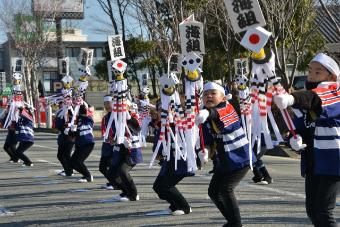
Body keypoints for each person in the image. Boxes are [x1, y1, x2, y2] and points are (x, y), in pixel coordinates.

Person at [274, 53, 340, 227]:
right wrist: (294, 141)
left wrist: (292, 98)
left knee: (324, 210)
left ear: (332, 76)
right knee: (312, 210)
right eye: (310, 71)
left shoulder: (335, 91)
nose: (311, 75)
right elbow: (298, 129)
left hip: (333, 160)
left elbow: (315, 100)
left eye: (318, 72)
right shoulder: (306, 99)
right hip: (313, 161)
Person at [196, 82, 256, 227]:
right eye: (205, 94)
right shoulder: (204, 115)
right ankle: (231, 221)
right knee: (213, 192)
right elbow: (208, 140)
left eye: (213, 93)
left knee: (226, 189)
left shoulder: (227, 108)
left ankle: (236, 224)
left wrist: (207, 113)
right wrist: (204, 151)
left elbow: (219, 116)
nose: (209, 96)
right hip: (223, 161)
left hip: (240, 158)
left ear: (223, 98)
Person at [152, 96, 194, 216]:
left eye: (167, 109)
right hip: (168, 160)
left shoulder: (181, 123)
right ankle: (174, 205)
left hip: (181, 159)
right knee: (158, 187)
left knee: (167, 185)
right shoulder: (160, 125)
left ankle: (185, 207)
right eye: (161, 109)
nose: (163, 112)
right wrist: (158, 152)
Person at [106, 100, 143, 201]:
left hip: (132, 150)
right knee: (111, 174)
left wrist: (127, 115)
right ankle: (125, 191)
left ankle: (133, 194)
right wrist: (113, 140)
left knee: (123, 171)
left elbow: (137, 129)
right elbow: (113, 137)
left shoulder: (133, 116)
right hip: (119, 150)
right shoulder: (114, 118)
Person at [69, 103, 95, 182]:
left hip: (87, 143)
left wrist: (82, 104)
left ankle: (88, 176)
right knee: (72, 163)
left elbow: (87, 116)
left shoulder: (88, 119)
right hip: (79, 144)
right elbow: (73, 136)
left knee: (78, 161)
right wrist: (71, 131)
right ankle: (85, 175)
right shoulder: (77, 120)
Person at [99, 95, 115, 190]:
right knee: (102, 167)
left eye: (108, 103)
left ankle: (115, 183)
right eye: (105, 103)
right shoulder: (105, 117)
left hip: (115, 144)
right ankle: (112, 182)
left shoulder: (118, 116)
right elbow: (103, 130)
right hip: (106, 144)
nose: (106, 105)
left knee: (112, 166)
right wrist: (106, 136)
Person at [55, 102, 74, 176]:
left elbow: (73, 122)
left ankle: (69, 171)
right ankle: (67, 169)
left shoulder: (71, 111)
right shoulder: (60, 112)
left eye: (62, 103)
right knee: (60, 155)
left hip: (70, 137)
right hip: (62, 136)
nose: (60, 105)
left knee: (67, 155)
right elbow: (58, 124)